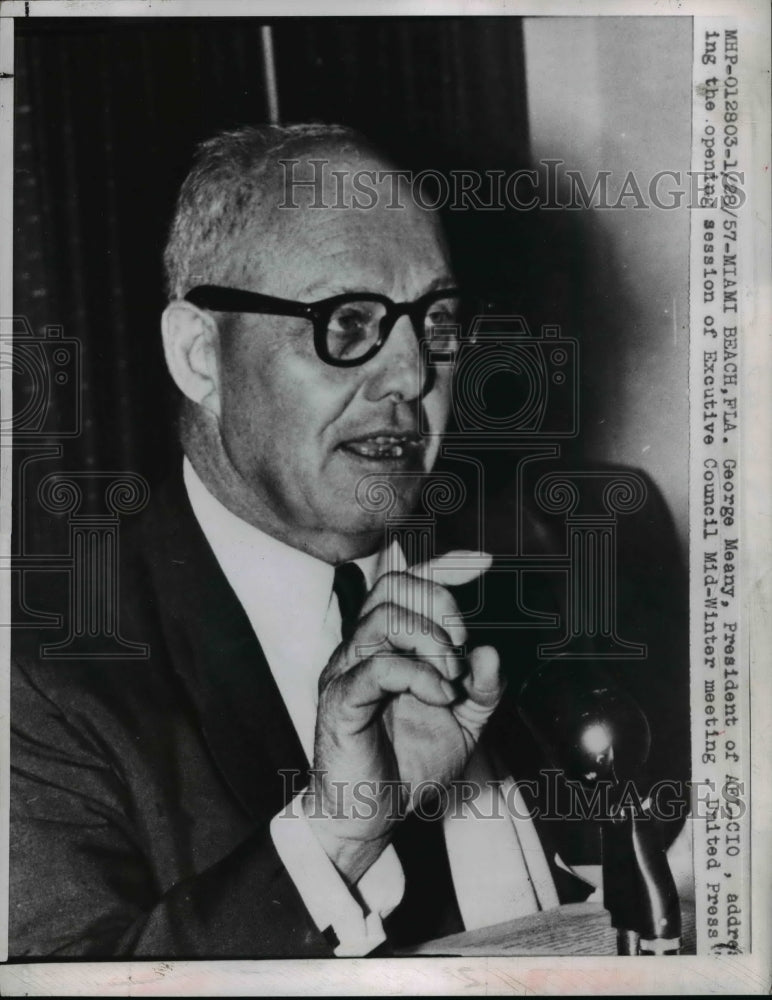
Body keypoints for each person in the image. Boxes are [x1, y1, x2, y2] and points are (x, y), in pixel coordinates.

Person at [10, 124, 689, 958]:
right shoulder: (45, 665)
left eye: (435, 320)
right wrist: (336, 833)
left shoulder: (552, 558)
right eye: (348, 320)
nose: (412, 375)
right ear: (199, 356)